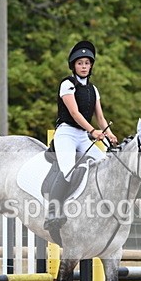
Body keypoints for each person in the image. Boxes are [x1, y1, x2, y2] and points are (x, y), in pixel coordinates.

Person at [43, 40, 118, 234]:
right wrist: (94, 132)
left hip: (83, 136)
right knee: (68, 170)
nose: (84, 66)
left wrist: (109, 134)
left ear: (91, 65)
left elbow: (100, 117)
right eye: (80, 63)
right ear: (74, 65)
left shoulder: (93, 89)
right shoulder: (67, 84)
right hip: (67, 133)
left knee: (105, 165)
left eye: (87, 63)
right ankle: (53, 210)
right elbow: (75, 114)